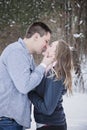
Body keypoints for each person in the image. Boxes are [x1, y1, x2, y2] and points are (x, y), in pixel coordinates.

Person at [0, 22, 54, 130]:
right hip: (8, 121)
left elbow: (33, 84)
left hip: (13, 121)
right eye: (46, 41)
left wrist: (47, 67)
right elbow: (24, 86)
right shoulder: (16, 52)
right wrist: (43, 65)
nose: (47, 46)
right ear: (36, 37)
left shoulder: (27, 55)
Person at [28, 39, 73, 130]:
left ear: (56, 53)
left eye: (51, 45)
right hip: (47, 124)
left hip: (51, 126)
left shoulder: (55, 76)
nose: (47, 46)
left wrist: (29, 93)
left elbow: (47, 109)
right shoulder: (47, 70)